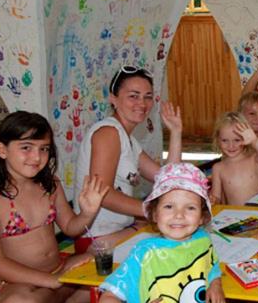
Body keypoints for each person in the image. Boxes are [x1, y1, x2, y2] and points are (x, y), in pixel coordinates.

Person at [97, 163, 255, 303]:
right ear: (154, 213)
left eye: (190, 208)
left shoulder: (202, 241)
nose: (179, 215)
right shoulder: (145, 255)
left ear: (202, 217)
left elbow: (211, 265)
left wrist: (215, 284)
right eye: (169, 206)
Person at [0, 111, 109, 303]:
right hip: (15, 285)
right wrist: (54, 281)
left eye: (44, 149)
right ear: (2, 150)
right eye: (26, 147)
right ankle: (65, 302)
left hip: (57, 271)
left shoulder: (50, 185)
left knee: (109, 269)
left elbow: (70, 228)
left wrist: (87, 213)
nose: (36, 157)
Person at [74, 66, 183, 253]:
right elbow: (103, 194)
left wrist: (176, 132)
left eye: (148, 97)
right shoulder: (108, 133)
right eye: (133, 96)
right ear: (113, 98)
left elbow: (168, 178)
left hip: (121, 230)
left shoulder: (128, 139)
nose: (142, 103)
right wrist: (152, 210)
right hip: (97, 239)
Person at [210, 112, 258, 205]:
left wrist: (255, 141)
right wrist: (213, 200)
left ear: (245, 139)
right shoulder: (218, 167)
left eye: (237, 140)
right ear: (218, 140)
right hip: (235, 213)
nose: (231, 146)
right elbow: (216, 197)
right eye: (225, 140)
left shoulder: (254, 159)